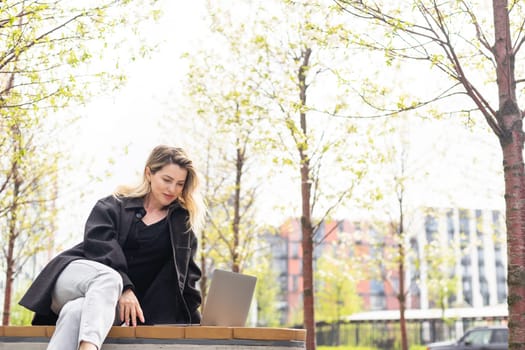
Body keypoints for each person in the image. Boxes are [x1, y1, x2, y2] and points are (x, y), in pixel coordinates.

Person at [19, 145, 206, 350]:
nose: (172, 189)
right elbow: (100, 249)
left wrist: (198, 327)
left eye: (180, 184)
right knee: (110, 279)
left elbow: (186, 283)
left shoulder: (182, 227)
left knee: (77, 312)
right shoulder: (113, 206)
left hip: (108, 303)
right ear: (149, 173)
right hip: (73, 281)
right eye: (167, 180)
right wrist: (125, 288)